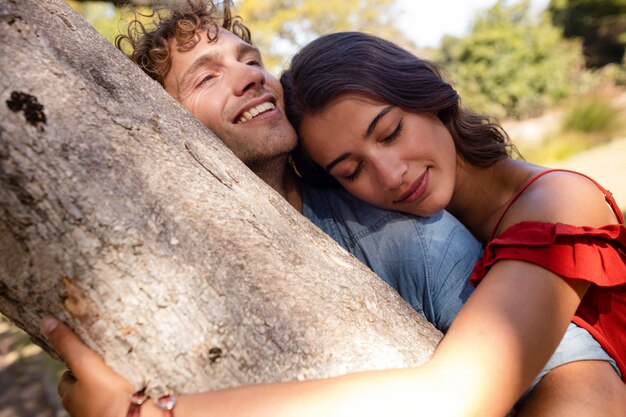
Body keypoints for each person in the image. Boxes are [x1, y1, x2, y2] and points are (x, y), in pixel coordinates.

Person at [41, 4, 624, 417]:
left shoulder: (407, 233)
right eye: (207, 76)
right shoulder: (156, 278)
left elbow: (566, 384)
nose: (247, 75)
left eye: (250, 59)